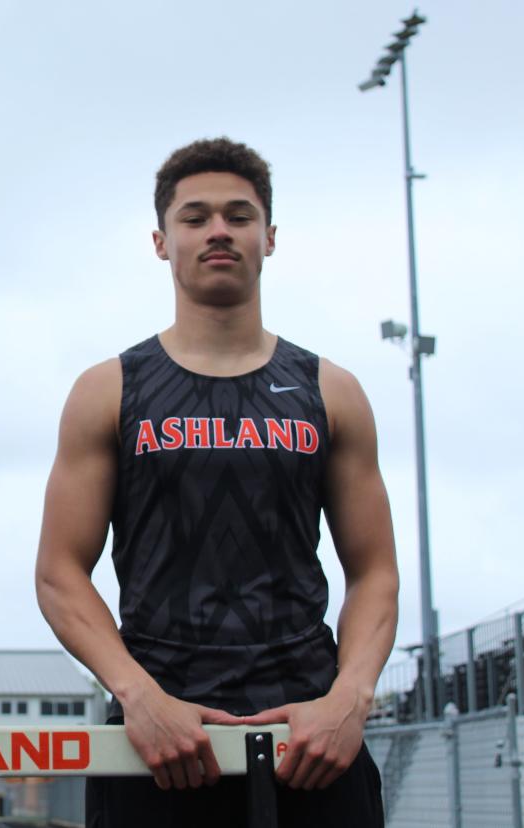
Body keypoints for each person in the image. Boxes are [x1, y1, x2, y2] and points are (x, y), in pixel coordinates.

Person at [34, 137, 398, 826]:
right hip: (157, 748)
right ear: (161, 241)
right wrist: (138, 697)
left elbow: (375, 571)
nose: (219, 231)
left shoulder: (332, 392)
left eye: (239, 214)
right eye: (195, 217)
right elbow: (59, 572)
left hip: (312, 740)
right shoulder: (109, 390)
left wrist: (349, 699)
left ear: (270, 236)